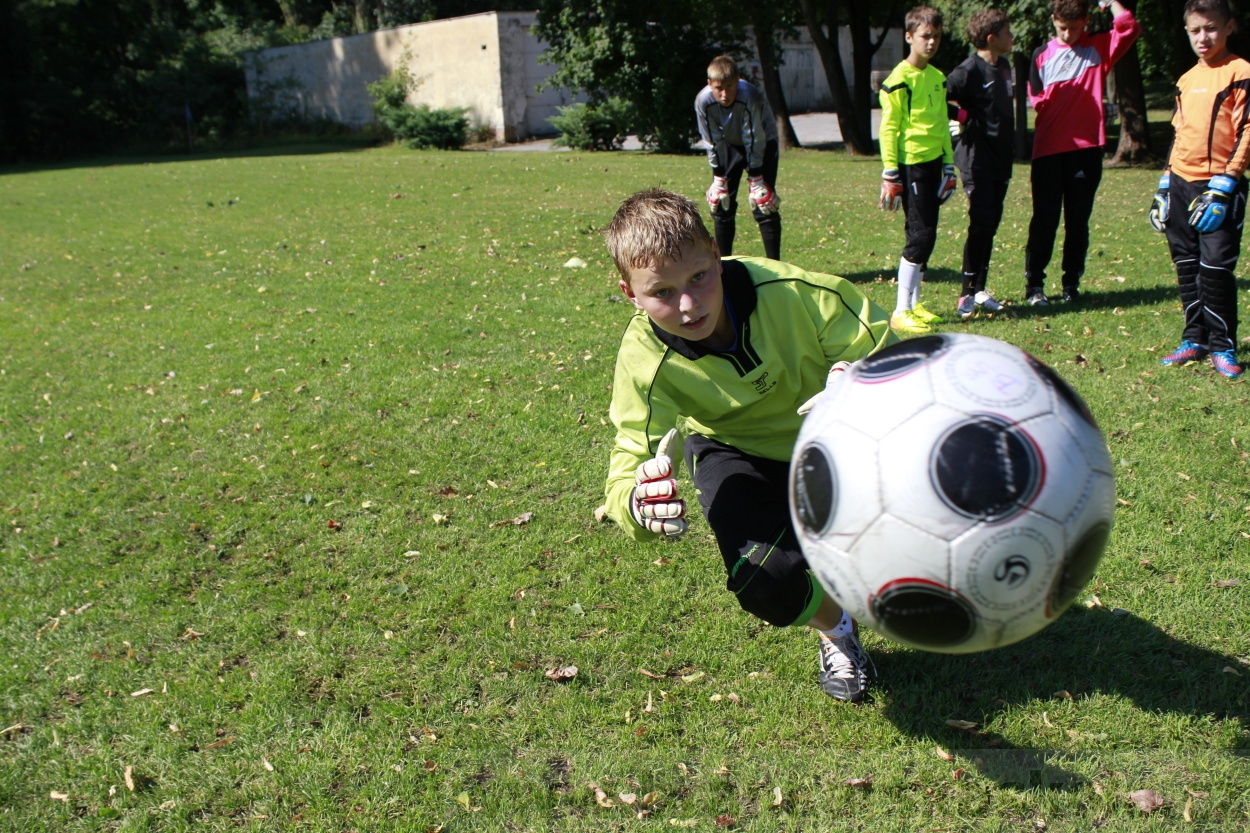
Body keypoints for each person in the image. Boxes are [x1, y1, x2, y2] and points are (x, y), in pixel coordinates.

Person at [602, 188, 896, 703]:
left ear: (716, 254)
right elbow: (630, 458)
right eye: (662, 292)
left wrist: (859, 379)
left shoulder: (791, 291)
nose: (688, 305)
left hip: (836, 439)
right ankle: (837, 629)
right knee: (761, 579)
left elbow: (880, 344)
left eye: (699, 277)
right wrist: (637, 504)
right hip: (734, 451)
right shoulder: (644, 358)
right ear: (630, 294)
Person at [1023, 0, 1141, 306]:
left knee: (1077, 221)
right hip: (1048, 149)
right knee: (1045, 219)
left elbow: (1129, 27)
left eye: (1074, 28)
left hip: (1086, 150)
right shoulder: (1041, 54)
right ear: (1053, 20)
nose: (1068, 34)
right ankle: (1034, 285)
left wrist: (1111, 2)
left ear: (1085, 21)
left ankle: (1071, 284)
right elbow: (1036, 99)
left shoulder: (1098, 46)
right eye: (1062, 27)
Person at [1153, 0, 1248, 379]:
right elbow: (1179, 133)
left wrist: (1227, 183)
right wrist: (1164, 185)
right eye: (1195, 30)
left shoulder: (1241, 72)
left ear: (1229, 28)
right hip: (1181, 183)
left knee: (1215, 267)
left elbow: (1247, 131)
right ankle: (1195, 338)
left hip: (1219, 187)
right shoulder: (1186, 79)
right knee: (1187, 264)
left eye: (1211, 28)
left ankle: (1223, 344)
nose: (1203, 37)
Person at [878, 5, 959, 335]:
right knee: (920, 235)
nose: (932, 42)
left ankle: (915, 304)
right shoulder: (898, 81)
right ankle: (900, 310)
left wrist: (949, 166)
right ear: (909, 37)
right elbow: (888, 129)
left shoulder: (938, 78)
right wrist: (890, 172)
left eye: (937, 36)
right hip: (911, 166)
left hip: (934, 164)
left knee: (929, 235)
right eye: (926, 36)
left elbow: (943, 125)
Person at [946, 10, 1015, 320]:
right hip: (977, 161)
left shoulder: (1005, 66)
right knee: (981, 222)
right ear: (991, 38)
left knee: (991, 224)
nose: (1012, 37)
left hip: (1001, 160)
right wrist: (962, 117)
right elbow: (938, 96)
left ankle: (980, 290)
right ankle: (966, 293)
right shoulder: (968, 70)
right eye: (1007, 32)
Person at [695, 55, 782, 261]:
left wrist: (756, 176)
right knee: (721, 202)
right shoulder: (703, 101)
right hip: (729, 144)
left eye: (730, 86)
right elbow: (711, 139)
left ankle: (775, 267)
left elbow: (754, 136)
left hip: (763, 142)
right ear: (710, 84)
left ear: (738, 80)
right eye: (719, 88)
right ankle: (723, 266)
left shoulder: (749, 95)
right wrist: (718, 176)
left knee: (763, 202)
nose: (724, 94)